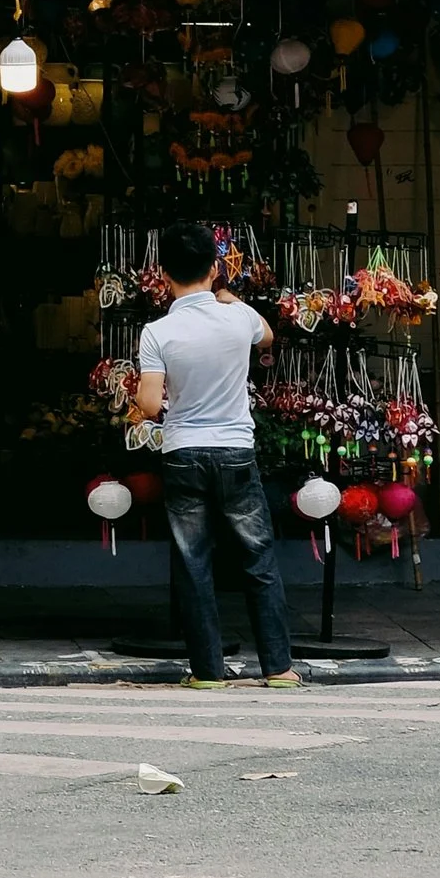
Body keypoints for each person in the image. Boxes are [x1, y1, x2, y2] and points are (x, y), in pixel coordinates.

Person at [132, 220, 298, 689]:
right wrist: (233, 299)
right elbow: (267, 337)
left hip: (184, 452)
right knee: (258, 556)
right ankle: (278, 668)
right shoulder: (239, 318)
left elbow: (149, 403)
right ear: (215, 268)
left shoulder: (156, 332)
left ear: (164, 274)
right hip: (235, 451)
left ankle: (208, 672)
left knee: (193, 562)